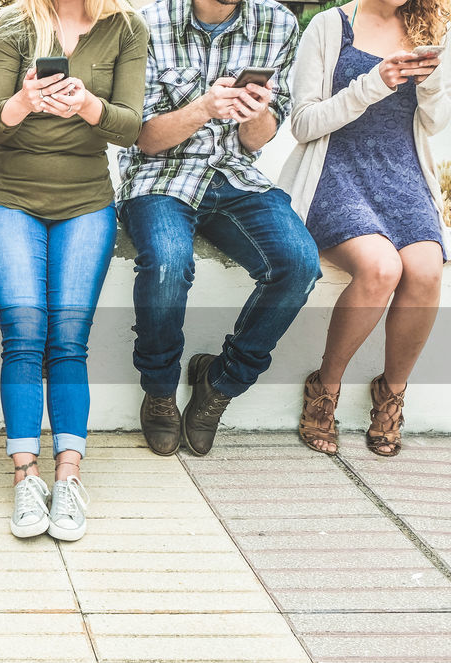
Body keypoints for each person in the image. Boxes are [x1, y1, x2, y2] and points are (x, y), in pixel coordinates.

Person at [0, 0, 147, 538]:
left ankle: (68, 477)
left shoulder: (126, 27)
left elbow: (131, 126)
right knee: (24, 332)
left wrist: (90, 106)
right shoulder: (13, 24)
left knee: (69, 338)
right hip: (8, 197)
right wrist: (22, 102)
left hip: (86, 201)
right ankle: (26, 478)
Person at [119, 0, 321, 457]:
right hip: (161, 176)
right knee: (169, 261)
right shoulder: (146, 23)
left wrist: (254, 113)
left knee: (299, 265)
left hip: (236, 175)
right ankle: (160, 388)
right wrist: (205, 108)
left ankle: (220, 384)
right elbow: (145, 140)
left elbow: (258, 141)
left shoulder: (277, 22)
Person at [283, 0, 449, 458]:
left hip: (402, 172)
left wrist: (431, 80)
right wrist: (373, 84)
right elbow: (303, 123)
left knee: (427, 269)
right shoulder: (331, 25)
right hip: (334, 169)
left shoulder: (432, 28)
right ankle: (326, 387)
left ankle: (391, 395)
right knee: (380, 268)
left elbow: (435, 123)